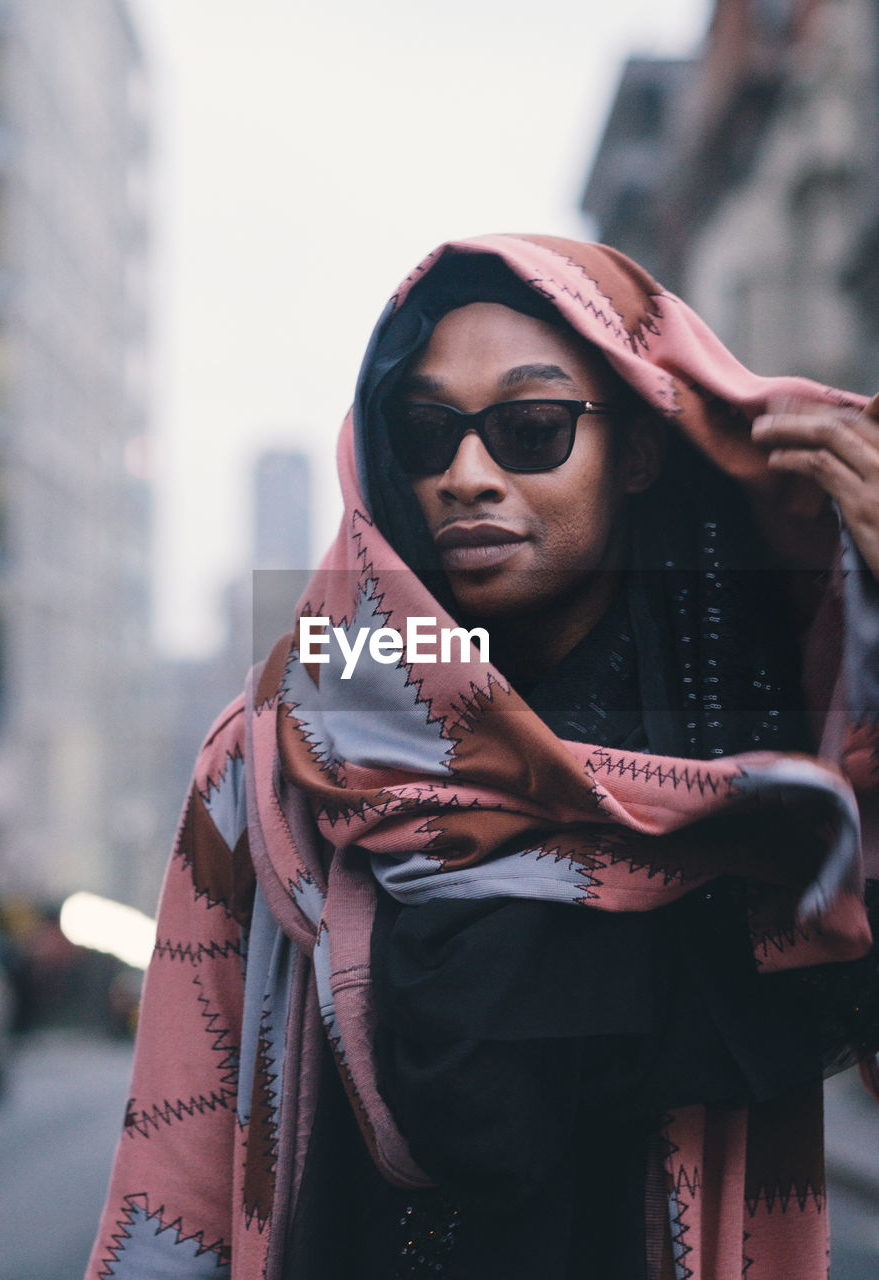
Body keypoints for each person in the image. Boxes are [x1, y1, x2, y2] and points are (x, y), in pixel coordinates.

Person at [86, 235, 879, 1280]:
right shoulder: (273, 756)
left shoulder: (761, 778)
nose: (465, 476)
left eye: (530, 428)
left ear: (635, 452)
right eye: (423, 433)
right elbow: (175, 1176)